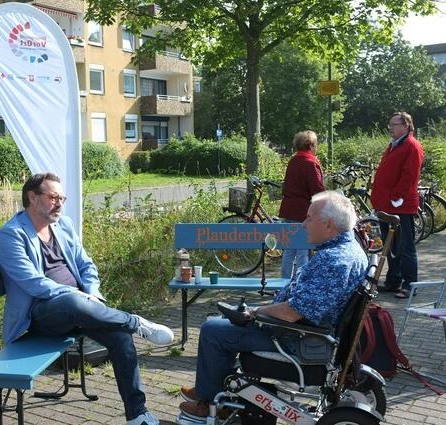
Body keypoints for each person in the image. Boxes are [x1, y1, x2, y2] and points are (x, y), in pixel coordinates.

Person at [0, 172, 174, 425]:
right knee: (73, 303)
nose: (59, 203)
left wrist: (92, 295)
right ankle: (135, 322)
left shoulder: (63, 225)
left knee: (121, 338)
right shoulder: (12, 235)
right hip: (41, 316)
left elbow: (86, 265)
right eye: (53, 197)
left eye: (62, 198)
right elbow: (33, 283)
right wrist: (77, 296)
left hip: (81, 308)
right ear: (32, 198)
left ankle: (137, 414)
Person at [178, 191, 368, 419]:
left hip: (295, 339)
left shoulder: (334, 261)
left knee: (213, 330)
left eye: (308, 218)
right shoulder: (349, 249)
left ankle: (209, 402)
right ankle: (212, 389)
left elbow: (291, 313)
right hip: (304, 333)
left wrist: (255, 312)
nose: (303, 224)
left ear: (328, 225)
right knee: (222, 323)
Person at [370, 112, 424, 299]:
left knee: (406, 247)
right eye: (390, 125)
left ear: (406, 125)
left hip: (400, 206)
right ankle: (394, 280)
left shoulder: (411, 146)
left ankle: (410, 285)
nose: (390, 128)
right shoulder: (394, 145)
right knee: (390, 246)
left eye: (393, 124)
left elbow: (409, 176)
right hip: (387, 206)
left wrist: (394, 196)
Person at [278, 130, 326, 279]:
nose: (316, 146)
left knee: (289, 249)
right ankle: (300, 282)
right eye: (316, 144)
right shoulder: (310, 163)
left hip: (288, 209)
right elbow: (317, 189)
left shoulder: (293, 161)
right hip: (302, 211)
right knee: (302, 250)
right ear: (311, 145)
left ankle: (284, 282)